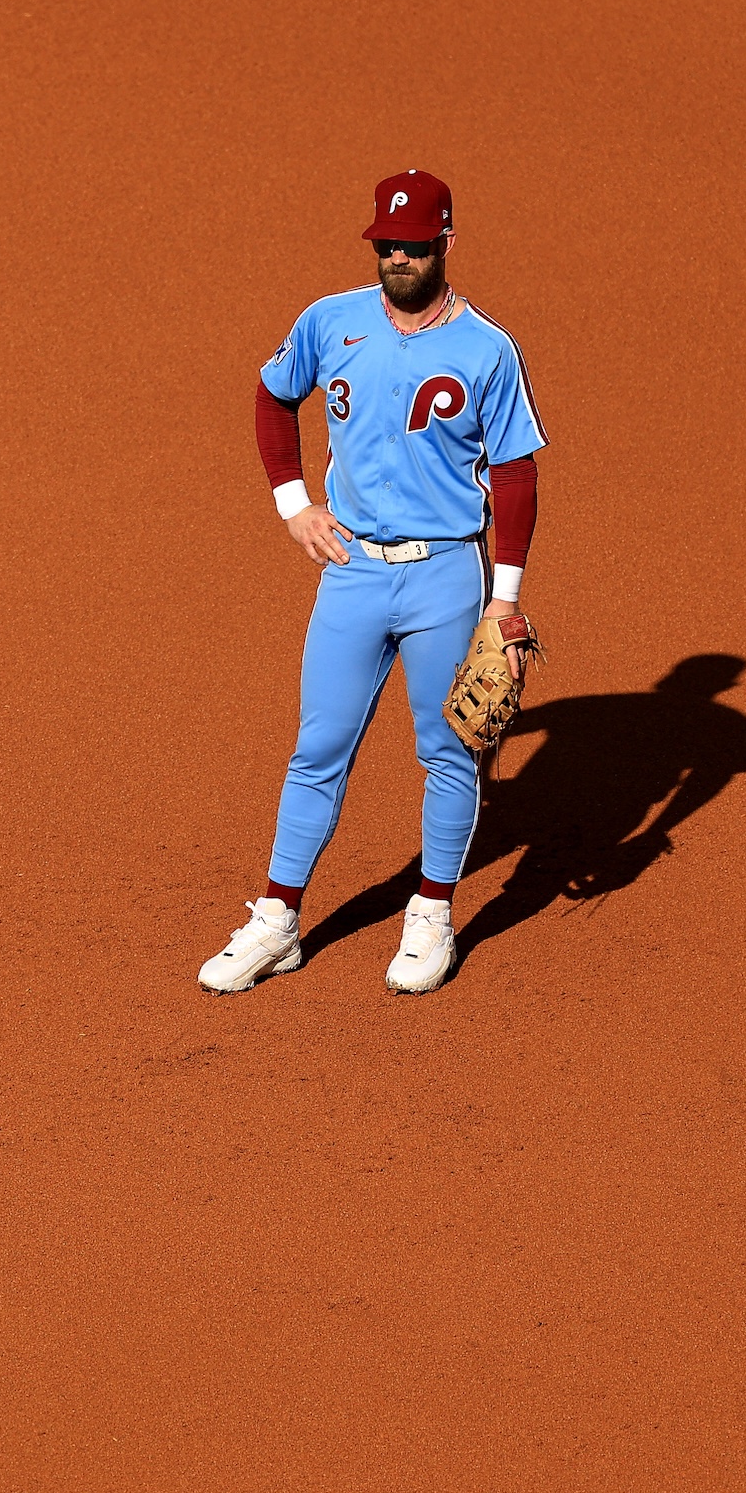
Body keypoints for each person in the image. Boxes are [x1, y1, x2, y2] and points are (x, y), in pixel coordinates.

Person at [201, 169, 549, 996]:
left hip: (445, 576)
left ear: (445, 243)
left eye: (415, 245)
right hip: (352, 570)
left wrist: (504, 598)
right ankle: (278, 921)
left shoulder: (487, 349)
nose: (398, 257)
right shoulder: (331, 320)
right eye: (387, 243)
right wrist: (294, 505)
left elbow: (516, 474)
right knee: (317, 747)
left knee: (450, 750)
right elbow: (272, 396)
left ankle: (431, 914)